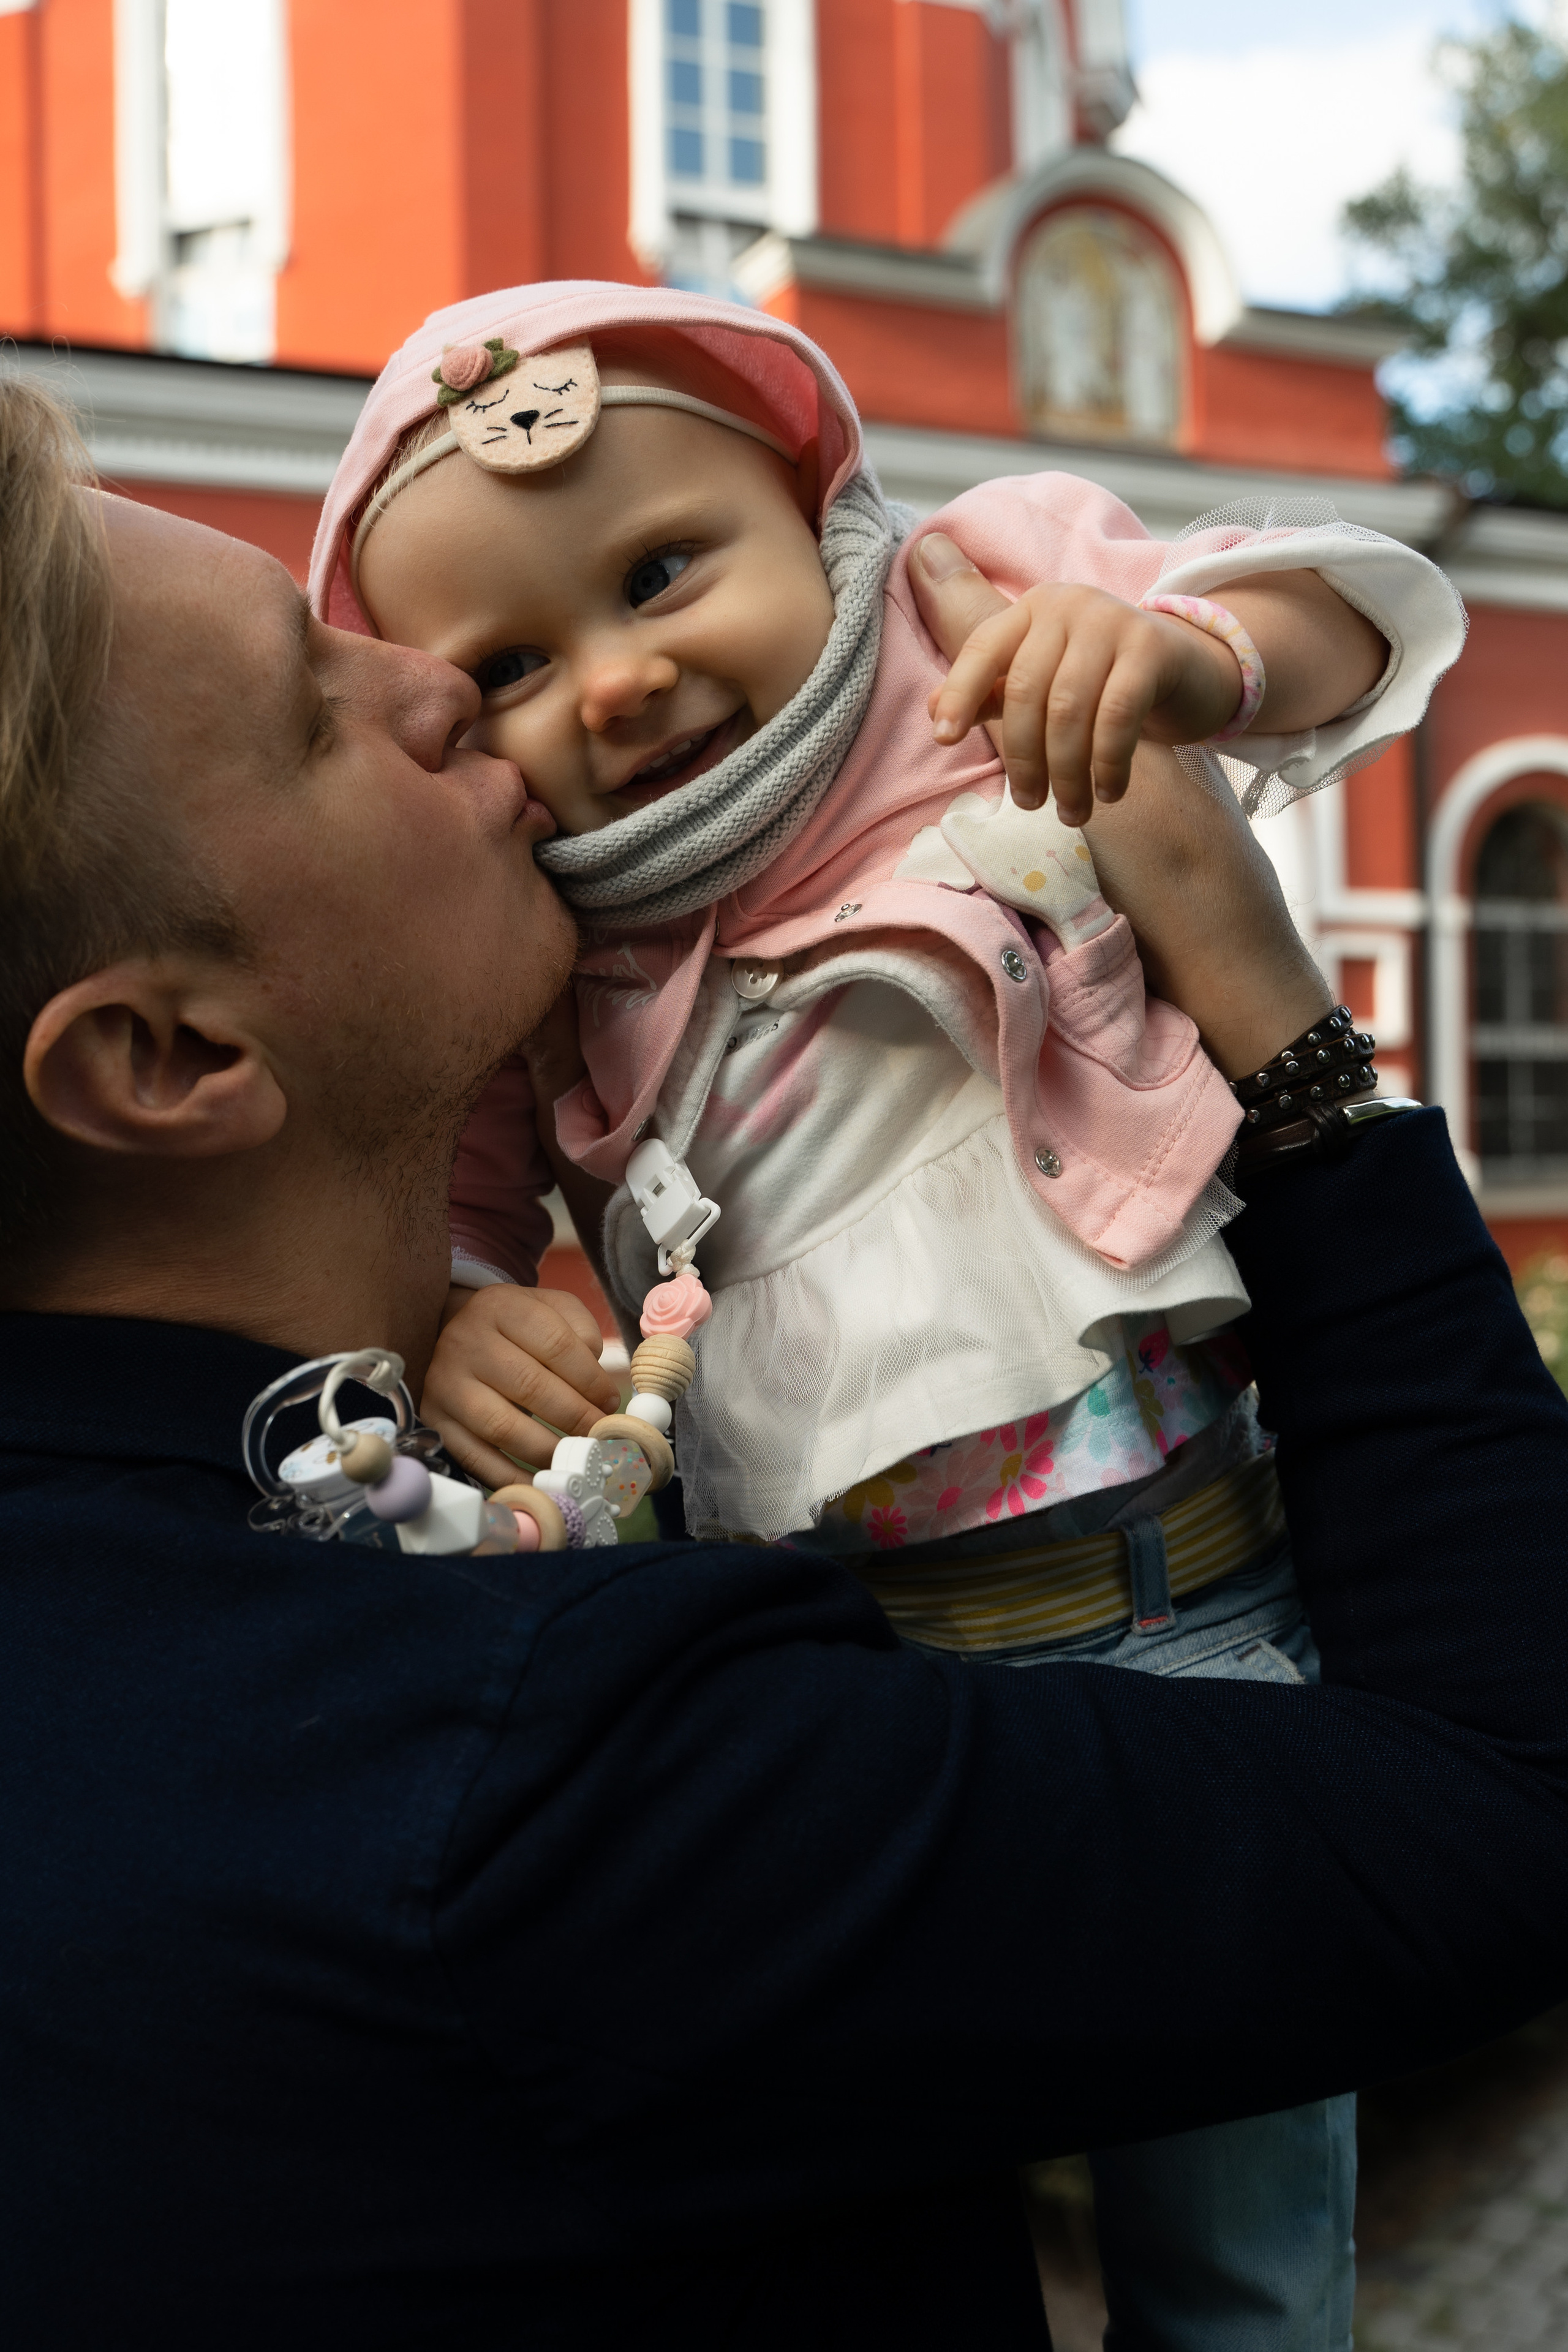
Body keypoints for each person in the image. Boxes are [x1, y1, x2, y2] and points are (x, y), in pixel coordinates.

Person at [2, 374, 1567, 2352]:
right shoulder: (565, 1779)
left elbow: (1308, 612)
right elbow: (1507, 1805)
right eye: (326, 712)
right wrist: (1284, 1031)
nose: (445, 701)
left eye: (664, 566)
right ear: (167, 1060)